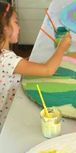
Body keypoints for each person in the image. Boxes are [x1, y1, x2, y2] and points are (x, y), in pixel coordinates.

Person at [0, 1, 71, 131]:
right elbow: (48, 70)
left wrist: (27, 62)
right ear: (5, 28)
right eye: (16, 22)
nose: (19, 27)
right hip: (6, 119)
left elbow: (18, 65)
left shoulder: (5, 57)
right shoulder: (6, 60)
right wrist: (62, 48)